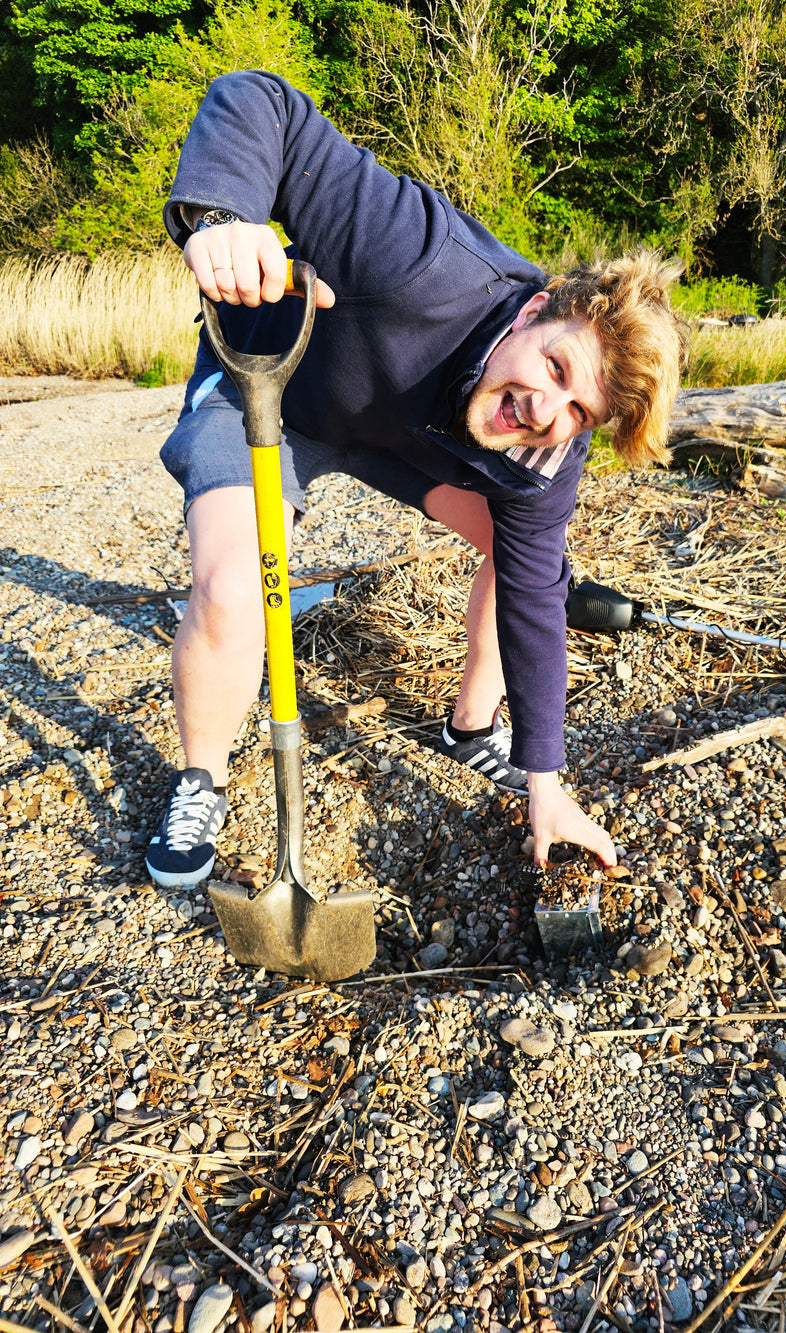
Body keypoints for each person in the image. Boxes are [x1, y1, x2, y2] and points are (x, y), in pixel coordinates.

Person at [145, 70, 687, 890]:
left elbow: (539, 599)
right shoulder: (418, 254)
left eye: (579, 410)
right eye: (554, 367)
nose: (545, 409)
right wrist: (223, 216)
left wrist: (548, 785)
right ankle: (200, 780)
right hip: (271, 387)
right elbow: (265, 103)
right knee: (233, 589)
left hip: (401, 444)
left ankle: (471, 727)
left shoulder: (543, 450)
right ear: (537, 311)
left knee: (533, 563)